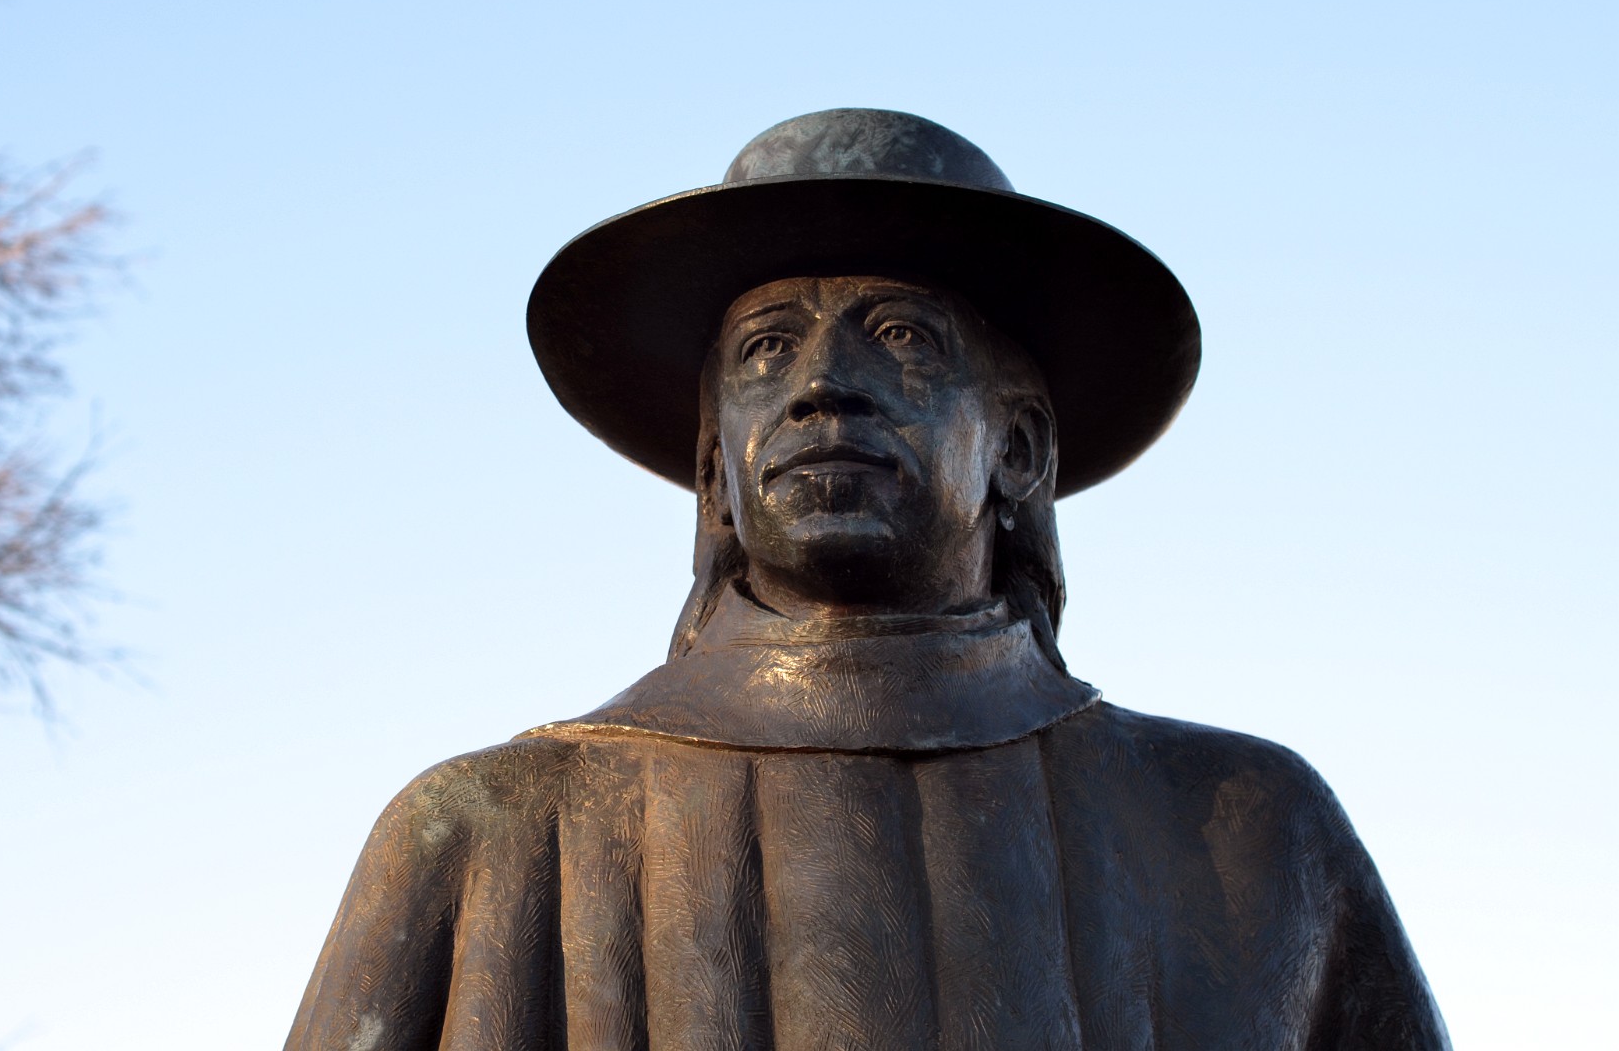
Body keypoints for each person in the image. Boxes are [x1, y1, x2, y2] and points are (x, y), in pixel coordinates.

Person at [284, 109, 1449, 1050]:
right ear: (713, 470)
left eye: (902, 338)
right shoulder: (487, 839)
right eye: (764, 352)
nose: (822, 387)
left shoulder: (1249, 831)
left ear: (1020, 448)